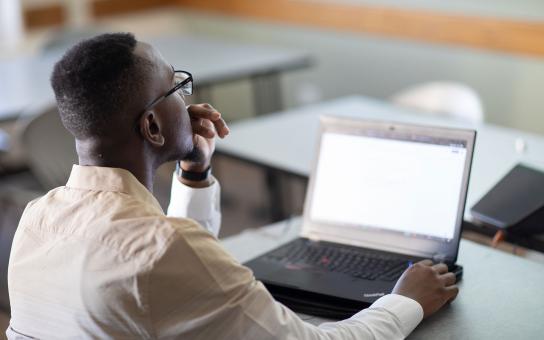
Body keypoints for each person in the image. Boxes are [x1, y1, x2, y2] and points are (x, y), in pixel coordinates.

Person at [7, 33, 458, 339]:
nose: (188, 100)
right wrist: (406, 301)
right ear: (152, 126)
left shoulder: (36, 220)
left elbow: (168, 268)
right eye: (176, 89)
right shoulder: (164, 250)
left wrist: (195, 174)